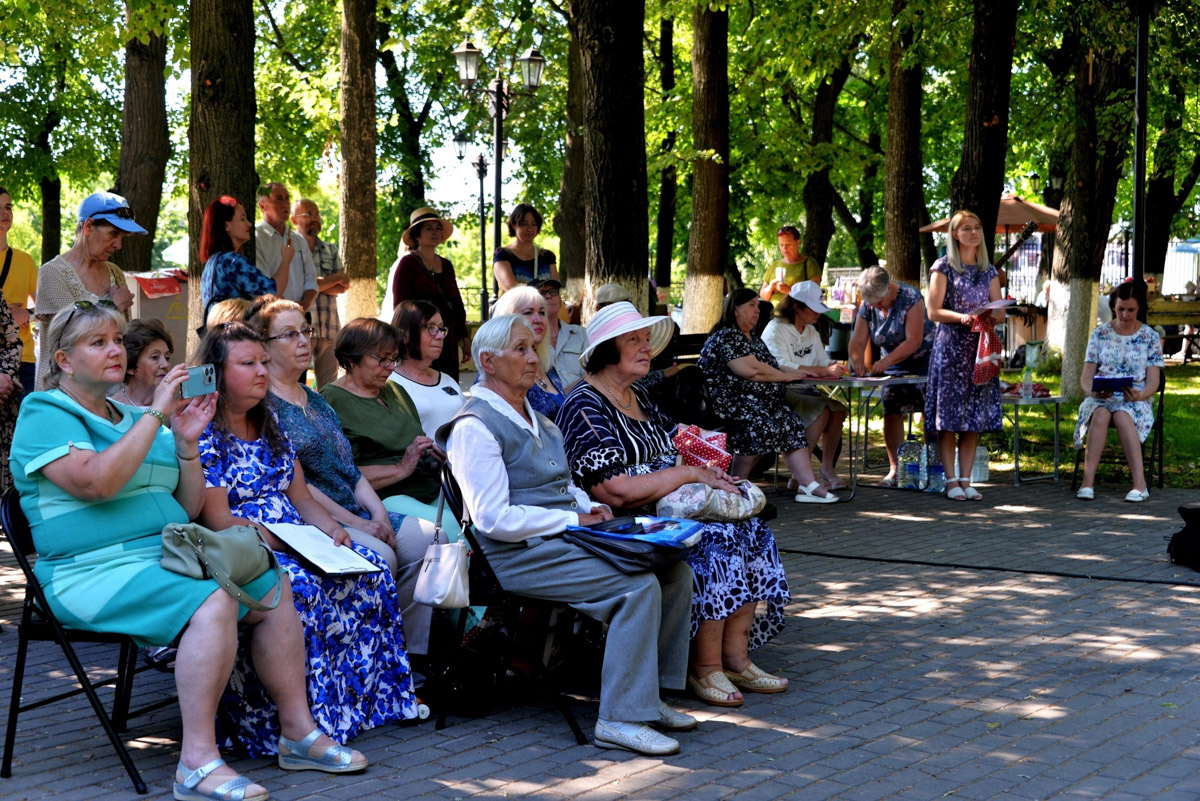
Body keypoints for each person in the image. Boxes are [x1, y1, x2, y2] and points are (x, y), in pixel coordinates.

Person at [11, 303, 367, 799]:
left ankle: (298, 734)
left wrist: (184, 446)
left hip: (164, 553)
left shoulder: (135, 417)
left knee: (270, 580)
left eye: (117, 338)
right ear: (64, 360)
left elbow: (184, 507)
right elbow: (95, 483)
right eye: (98, 343)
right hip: (86, 572)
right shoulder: (45, 412)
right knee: (215, 599)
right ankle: (196, 764)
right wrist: (158, 413)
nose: (115, 349)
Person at [437, 314, 696, 756]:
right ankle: (619, 719)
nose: (532, 358)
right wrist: (572, 521)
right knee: (636, 589)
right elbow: (492, 519)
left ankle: (649, 697)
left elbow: (562, 484)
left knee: (674, 571)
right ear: (488, 361)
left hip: (561, 540)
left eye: (532, 348)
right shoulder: (475, 425)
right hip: (516, 556)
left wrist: (584, 505)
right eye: (519, 349)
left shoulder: (539, 419)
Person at [558, 302, 792, 710]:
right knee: (714, 538)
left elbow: (678, 448)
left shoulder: (637, 396)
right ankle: (702, 666)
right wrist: (688, 476)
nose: (646, 347)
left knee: (751, 528)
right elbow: (614, 491)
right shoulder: (585, 405)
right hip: (621, 523)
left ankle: (734, 658)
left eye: (647, 339)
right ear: (606, 350)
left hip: (665, 508)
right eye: (634, 339)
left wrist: (713, 474)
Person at [196, 322, 417, 754]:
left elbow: (301, 497)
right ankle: (294, 722)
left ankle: (356, 707)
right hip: (247, 544)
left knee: (368, 573)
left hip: (294, 534)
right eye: (248, 363)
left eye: (263, 361)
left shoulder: (270, 420)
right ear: (218, 372)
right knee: (304, 588)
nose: (262, 371)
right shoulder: (206, 430)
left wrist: (332, 529)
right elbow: (218, 519)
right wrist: (283, 540)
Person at [249, 297, 441, 655]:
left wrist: (379, 513)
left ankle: (411, 653)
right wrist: (361, 522)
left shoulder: (315, 399)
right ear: (263, 346)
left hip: (358, 508)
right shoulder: (263, 406)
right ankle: (379, 657)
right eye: (290, 334)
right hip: (317, 519)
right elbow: (297, 485)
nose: (304, 341)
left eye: (306, 331)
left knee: (434, 540)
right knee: (384, 554)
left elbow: (350, 470)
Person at [698, 289, 838, 503]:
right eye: (751, 306)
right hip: (731, 404)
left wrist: (793, 372)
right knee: (759, 424)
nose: (757, 311)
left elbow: (769, 364)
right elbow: (750, 370)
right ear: (735, 309)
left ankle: (808, 485)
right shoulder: (727, 336)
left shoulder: (751, 336)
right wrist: (784, 377)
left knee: (789, 421)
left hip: (756, 402)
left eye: (758, 305)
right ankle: (735, 486)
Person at [320, 318, 446, 523]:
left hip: (429, 488)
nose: (390, 368)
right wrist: (401, 468)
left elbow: (417, 446)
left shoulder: (395, 390)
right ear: (352, 359)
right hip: (383, 500)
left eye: (394, 359)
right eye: (383, 359)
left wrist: (437, 458)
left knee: (479, 518)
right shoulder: (331, 401)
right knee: (453, 527)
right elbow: (337, 476)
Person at [924, 210, 1003, 501]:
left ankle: (967, 479)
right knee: (950, 418)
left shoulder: (988, 270)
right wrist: (963, 318)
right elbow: (933, 311)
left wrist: (992, 316)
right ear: (954, 235)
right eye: (966, 228)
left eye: (977, 226)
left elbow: (1000, 310)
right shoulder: (943, 267)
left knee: (974, 417)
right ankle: (951, 480)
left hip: (980, 350)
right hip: (951, 350)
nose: (973, 232)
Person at [35, 191, 139, 390]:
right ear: (89, 226)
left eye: (122, 237)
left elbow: (123, 334)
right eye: (114, 234)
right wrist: (115, 305)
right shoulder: (52, 273)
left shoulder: (115, 272)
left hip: (110, 391)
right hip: (65, 393)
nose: (118, 245)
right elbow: (75, 333)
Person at [1075, 282, 1164, 502]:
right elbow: (1086, 377)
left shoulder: (1149, 337)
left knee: (1123, 415)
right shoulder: (1100, 333)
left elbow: (1154, 381)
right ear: (1113, 307)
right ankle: (1087, 483)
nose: (1125, 315)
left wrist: (1140, 395)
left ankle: (1140, 485)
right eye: (1120, 309)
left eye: (1131, 310)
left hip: (1135, 398)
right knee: (1101, 413)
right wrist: (1093, 392)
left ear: (1139, 308)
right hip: (1102, 397)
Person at [849, 266, 936, 485]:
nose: (877, 306)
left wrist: (885, 361)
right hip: (892, 365)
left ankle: (934, 468)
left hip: (925, 361)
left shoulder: (911, 297)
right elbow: (857, 341)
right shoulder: (868, 305)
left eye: (880, 301)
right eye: (872, 303)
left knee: (931, 411)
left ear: (889, 288)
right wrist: (858, 361)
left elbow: (913, 341)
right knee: (891, 405)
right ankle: (895, 470)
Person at [762, 281, 848, 488]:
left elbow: (821, 363)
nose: (818, 314)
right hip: (781, 391)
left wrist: (833, 368)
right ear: (796, 307)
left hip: (806, 390)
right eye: (813, 308)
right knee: (821, 409)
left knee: (837, 409)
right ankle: (803, 475)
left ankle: (826, 469)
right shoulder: (776, 329)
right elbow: (781, 366)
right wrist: (824, 370)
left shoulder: (810, 331)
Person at [390, 207, 468, 380]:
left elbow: (456, 302)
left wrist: (464, 338)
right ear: (417, 235)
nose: (435, 232)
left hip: (447, 333)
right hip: (420, 336)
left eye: (438, 228)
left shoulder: (447, 265)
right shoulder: (407, 264)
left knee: (448, 382)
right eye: (429, 228)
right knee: (424, 380)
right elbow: (400, 306)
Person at [292, 198, 348, 388]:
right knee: (295, 383)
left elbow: (344, 284)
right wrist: (332, 280)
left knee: (329, 388)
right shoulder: (290, 249)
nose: (315, 218)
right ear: (294, 220)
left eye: (317, 214)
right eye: (308, 214)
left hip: (329, 327)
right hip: (300, 328)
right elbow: (296, 285)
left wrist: (312, 284)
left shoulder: (331, 250)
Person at [389, 299, 465, 439]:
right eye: (431, 327)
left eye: (441, 328)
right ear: (405, 334)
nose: (440, 336)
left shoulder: (448, 381)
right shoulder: (389, 382)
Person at [199, 195, 280, 324]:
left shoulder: (212, 262)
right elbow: (272, 292)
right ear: (226, 225)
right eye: (242, 219)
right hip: (236, 335)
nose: (249, 224)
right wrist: (286, 259)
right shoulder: (232, 262)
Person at [493, 285, 566, 417]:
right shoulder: (500, 370)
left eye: (542, 312)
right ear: (506, 319)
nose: (538, 319)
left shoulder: (546, 366)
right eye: (528, 312)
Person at [255, 182, 318, 312]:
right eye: (278, 199)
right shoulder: (257, 238)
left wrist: (303, 305)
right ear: (262, 206)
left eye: (287, 198)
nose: (285, 203)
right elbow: (265, 285)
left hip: (301, 314)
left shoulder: (299, 240)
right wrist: (286, 307)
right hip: (272, 314)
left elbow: (311, 278)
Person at [0, 186, 38, 400]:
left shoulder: (25, 261)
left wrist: (27, 314)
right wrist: (7, 317)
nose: (4, 213)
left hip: (23, 357)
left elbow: (46, 308)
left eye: (8, 207)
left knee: (22, 430)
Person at [530, 278, 587, 388]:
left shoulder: (581, 333)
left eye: (553, 291)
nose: (548, 296)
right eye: (541, 293)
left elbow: (593, 374)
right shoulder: (528, 341)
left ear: (560, 300)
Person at [492, 203, 559, 293]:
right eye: (524, 224)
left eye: (533, 224)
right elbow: (511, 288)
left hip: (545, 307)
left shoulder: (547, 256)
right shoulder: (503, 255)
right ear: (514, 225)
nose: (529, 229)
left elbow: (555, 288)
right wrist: (543, 290)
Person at [113, 318, 174, 408]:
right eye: (155, 357)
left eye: (167, 357)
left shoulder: (174, 407)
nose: (165, 364)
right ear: (130, 367)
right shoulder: (113, 409)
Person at [759, 225, 821, 309]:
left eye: (788, 244)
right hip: (772, 317)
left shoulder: (808, 264)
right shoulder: (774, 266)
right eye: (781, 245)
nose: (784, 248)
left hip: (796, 317)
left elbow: (814, 294)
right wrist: (770, 287)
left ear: (798, 242)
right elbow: (763, 296)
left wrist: (790, 291)